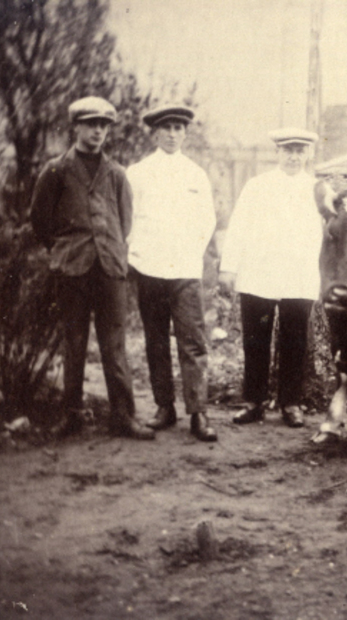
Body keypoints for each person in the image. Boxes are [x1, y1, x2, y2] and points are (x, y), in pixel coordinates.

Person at [30, 96, 154, 440]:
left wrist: (109, 249)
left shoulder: (116, 174)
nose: (98, 131)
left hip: (110, 269)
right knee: (74, 343)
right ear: (77, 127)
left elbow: (125, 221)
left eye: (103, 125)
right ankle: (72, 416)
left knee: (115, 345)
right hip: (72, 269)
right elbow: (40, 220)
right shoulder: (56, 170)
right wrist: (64, 250)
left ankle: (123, 416)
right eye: (91, 124)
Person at [218, 128, 323, 428]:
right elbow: (238, 227)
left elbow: (329, 235)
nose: (293, 157)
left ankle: (291, 403)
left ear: (308, 154)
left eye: (299, 151)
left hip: (298, 276)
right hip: (259, 273)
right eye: (288, 150)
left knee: (294, 341)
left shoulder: (317, 189)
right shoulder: (257, 186)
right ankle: (254, 402)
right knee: (256, 339)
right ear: (277, 152)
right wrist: (229, 267)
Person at [126, 104, 218, 442]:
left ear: (185, 134)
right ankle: (164, 407)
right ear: (154, 133)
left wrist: (190, 252)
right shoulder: (137, 173)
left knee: (192, 341)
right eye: (166, 127)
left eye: (178, 128)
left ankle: (198, 413)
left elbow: (207, 220)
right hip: (149, 267)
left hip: (184, 269)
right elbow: (128, 219)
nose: (172, 134)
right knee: (156, 340)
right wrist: (137, 253)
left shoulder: (195, 174)